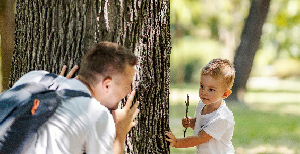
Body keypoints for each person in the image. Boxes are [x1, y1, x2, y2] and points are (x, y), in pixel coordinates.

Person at [11, 41, 140, 154]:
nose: (129, 91)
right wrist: (119, 135)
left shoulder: (35, 77)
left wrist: (60, 89)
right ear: (107, 85)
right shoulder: (97, 115)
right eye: (127, 85)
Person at [166, 59, 235, 154]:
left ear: (225, 94)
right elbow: (202, 125)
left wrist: (176, 142)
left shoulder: (222, 118)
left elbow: (200, 138)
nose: (204, 92)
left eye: (211, 89)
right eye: (202, 86)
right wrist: (191, 122)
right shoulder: (202, 105)